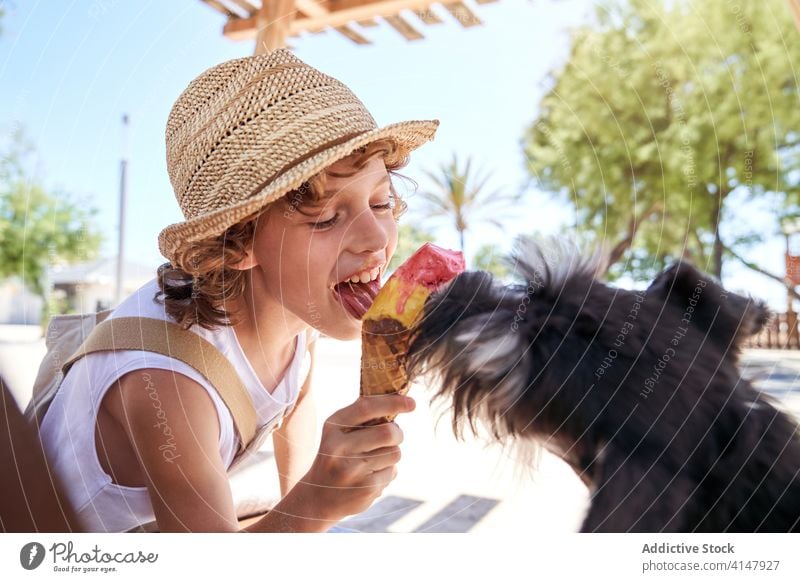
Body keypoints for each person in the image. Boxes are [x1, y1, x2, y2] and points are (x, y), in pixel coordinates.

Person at [38, 48, 439, 532]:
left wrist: (307, 497)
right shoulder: (168, 386)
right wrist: (314, 505)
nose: (378, 239)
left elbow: (296, 397)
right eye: (328, 218)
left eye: (381, 202)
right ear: (238, 244)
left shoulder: (296, 314)